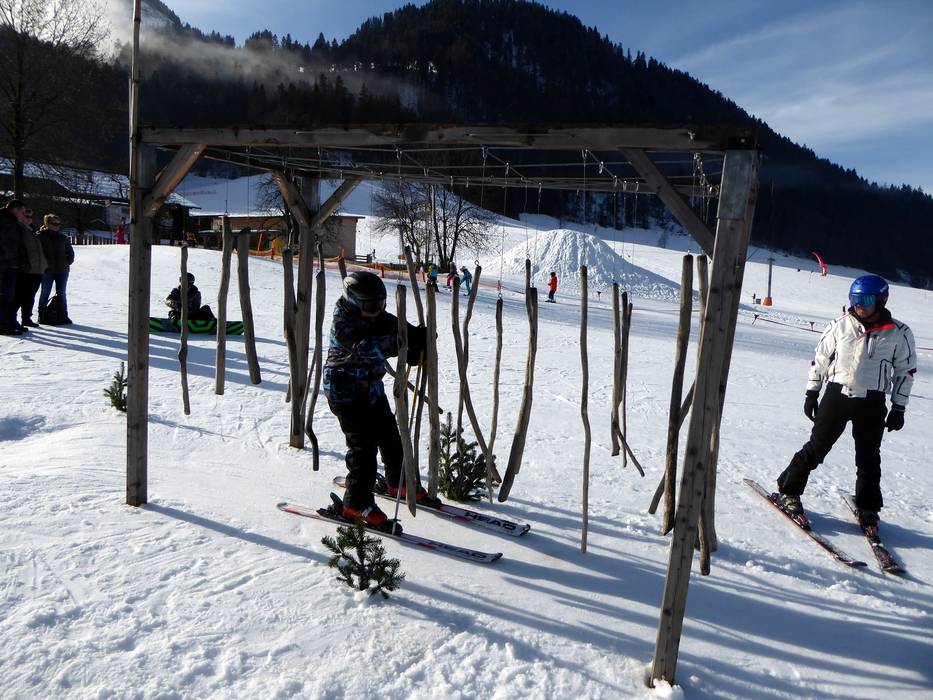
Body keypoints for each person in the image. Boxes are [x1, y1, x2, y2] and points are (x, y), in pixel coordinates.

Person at [775, 275, 916, 529]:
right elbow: (820, 359)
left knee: (869, 457)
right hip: (837, 396)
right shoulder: (839, 325)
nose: (859, 305)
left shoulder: (899, 333)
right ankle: (788, 489)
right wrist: (812, 392)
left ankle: (868, 507)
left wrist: (898, 407)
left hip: (872, 402)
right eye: (855, 299)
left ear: (881, 301)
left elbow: (905, 371)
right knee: (817, 448)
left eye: (866, 300)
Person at [323, 270, 437, 528]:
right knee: (364, 448)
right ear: (354, 302)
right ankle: (356, 503)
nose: (377, 310)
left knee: (391, 437)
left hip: (371, 389)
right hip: (345, 393)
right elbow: (367, 347)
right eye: (370, 305)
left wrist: (417, 338)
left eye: (381, 304)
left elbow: (396, 328)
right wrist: (400, 344)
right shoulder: (343, 323)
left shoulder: (376, 316)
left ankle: (399, 482)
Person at [37, 214, 75, 324]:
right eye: (54, 224)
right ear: (47, 224)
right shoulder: (40, 236)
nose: (57, 226)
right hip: (47, 270)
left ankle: (63, 315)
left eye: (58, 224)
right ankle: (41, 314)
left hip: (62, 270)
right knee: (45, 292)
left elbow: (70, 252)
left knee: (61, 293)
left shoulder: (63, 237)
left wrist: (67, 262)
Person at [0, 200, 28, 335]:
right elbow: (7, 244)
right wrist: (11, 258)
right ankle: (3, 325)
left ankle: (9, 321)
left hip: (11, 264)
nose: (23, 215)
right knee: (5, 296)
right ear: (14, 210)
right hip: (6, 264)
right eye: (22, 212)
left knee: (11, 295)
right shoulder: (5, 222)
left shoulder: (12, 222)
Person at [16, 208, 46, 327]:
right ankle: (11, 319)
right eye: (26, 216)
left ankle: (26, 318)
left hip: (37, 269)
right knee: (20, 296)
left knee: (30, 296)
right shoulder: (19, 230)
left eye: (30, 217)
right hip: (26, 270)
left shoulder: (32, 231)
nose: (29, 219)